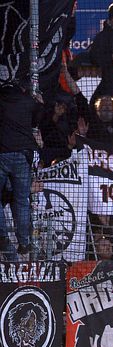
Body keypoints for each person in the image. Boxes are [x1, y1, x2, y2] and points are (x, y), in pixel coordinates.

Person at [0, 84, 42, 259]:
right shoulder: (27, 100)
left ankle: (2, 236)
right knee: (22, 200)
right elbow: (39, 118)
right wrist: (38, 103)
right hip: (24, 153)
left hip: (2, 152)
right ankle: (24, 242)